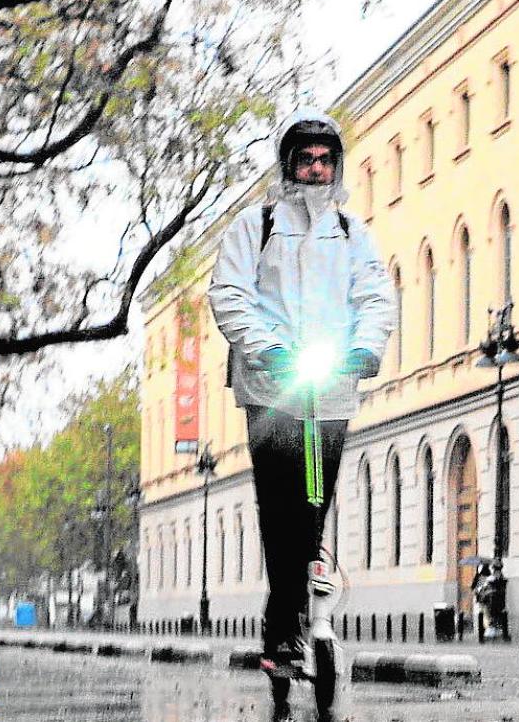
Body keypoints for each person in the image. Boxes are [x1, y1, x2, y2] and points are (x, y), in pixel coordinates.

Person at [208, 108, 396, 678]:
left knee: (316, 505)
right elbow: (229, 293)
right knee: (282, 512)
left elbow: (376, 297)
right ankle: (284, 628)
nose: (314, 169)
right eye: (304, 159)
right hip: (272, 388)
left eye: (324, 160)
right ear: (288, 164)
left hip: (331, 390)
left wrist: (366, 347)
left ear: (335, 167)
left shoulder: (350, 233)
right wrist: (267, 348)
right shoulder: (255, 225)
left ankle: (304, 621)